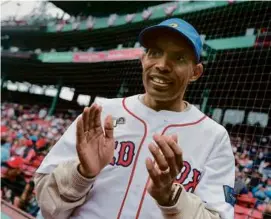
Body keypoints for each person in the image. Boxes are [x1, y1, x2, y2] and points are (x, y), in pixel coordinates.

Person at [34, 18, 235, 219]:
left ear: (196, 72)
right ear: (143, 60)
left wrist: (172, 199)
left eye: (179, 58)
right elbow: (47, 206)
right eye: (155, 53)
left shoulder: (214, 137)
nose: (163, 65)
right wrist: (81, 174)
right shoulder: (101, 113)